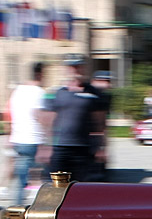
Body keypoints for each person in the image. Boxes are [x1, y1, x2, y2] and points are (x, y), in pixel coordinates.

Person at [45, 55, 106, 183]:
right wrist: (45, 148)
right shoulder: (58, 93)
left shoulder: (94, 93)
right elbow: (48, 120)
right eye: (72, 67)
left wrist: (101, 148)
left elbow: (100, 123)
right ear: (67, 69)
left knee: (81, 187)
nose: (76, 70)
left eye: (79, 66)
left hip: (83, 148)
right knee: (57, 186)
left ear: (84, 68)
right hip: (60, 147)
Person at [0, 61, 48, 205]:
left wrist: (8, 135)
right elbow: (40, 116)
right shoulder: (39, 92)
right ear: (40, 74)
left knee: (21, 179)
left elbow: (9, 115)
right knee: (46, 178)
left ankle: (17, 209)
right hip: (34, 140)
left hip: (18, 139)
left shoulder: (17, 91)